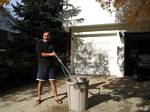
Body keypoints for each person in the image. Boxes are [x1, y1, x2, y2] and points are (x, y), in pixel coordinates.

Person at [36, 31, 62, 104]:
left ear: (49, 36)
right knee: (41, 82)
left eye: (48, 36)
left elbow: (55, 53)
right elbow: (41, 54)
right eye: (45, 35)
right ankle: (39, 98)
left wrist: (58, 59)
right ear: (43, 36)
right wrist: (51, 54)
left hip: (51, 66)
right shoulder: (39, 43)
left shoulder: (52, 44)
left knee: (53, 81)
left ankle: (56, 97)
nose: (46, 37)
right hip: (42, 65)